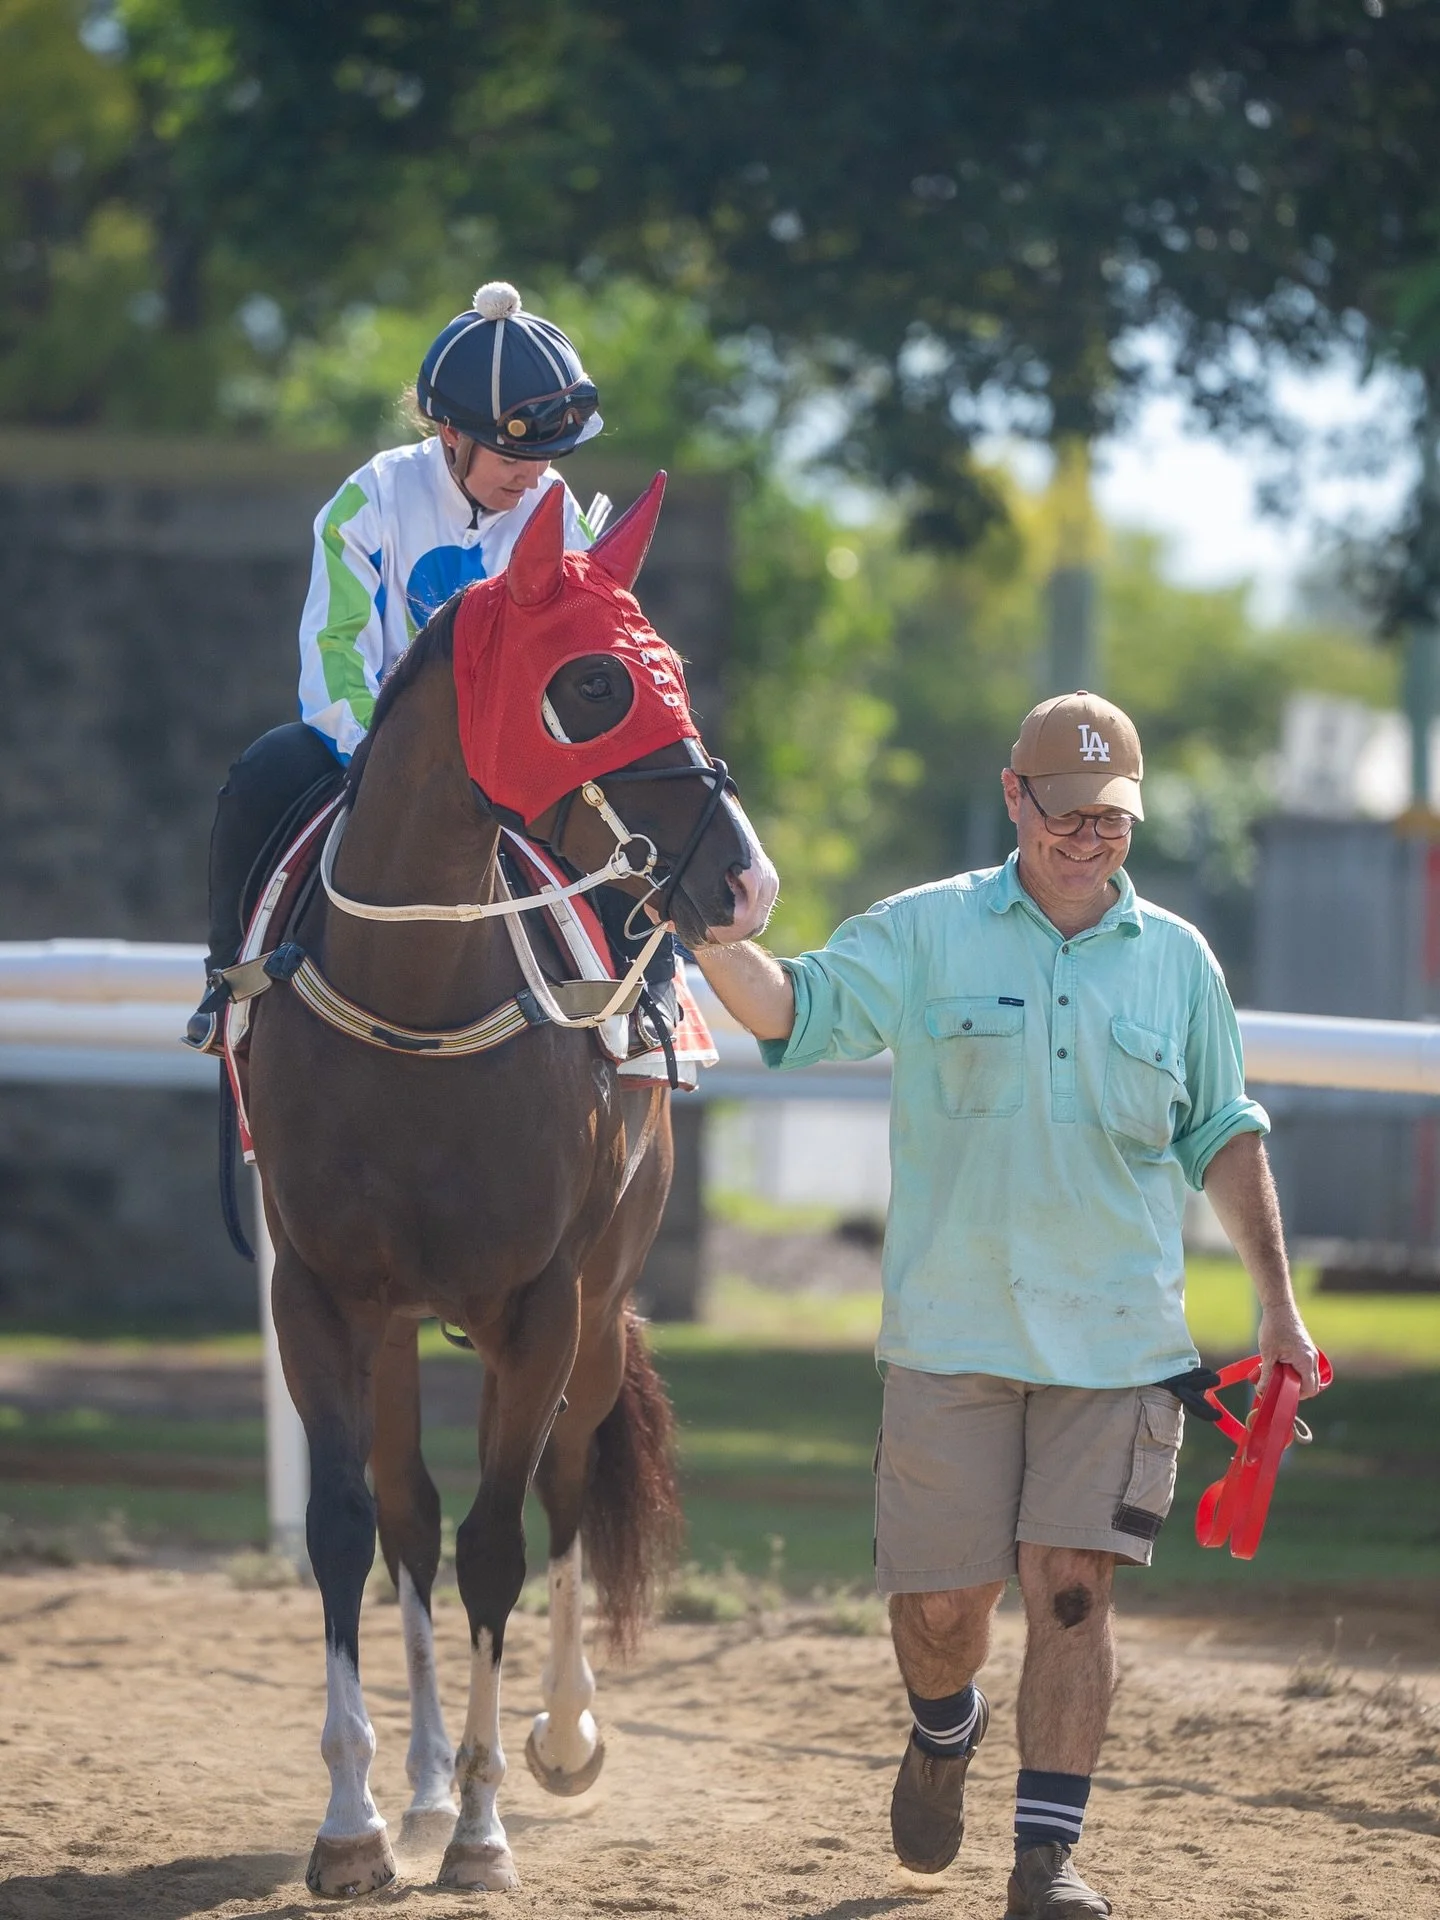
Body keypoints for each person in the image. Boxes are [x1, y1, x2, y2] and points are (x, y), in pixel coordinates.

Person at [690, 690, 1322, 1920]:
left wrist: (1278, 1310)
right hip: (951, 1335)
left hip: (1121, 1342)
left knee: (1073, 1585)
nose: (1091, 837)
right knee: (938, 1612)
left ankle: (1048, 1859)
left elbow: (1225, 1136)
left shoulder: (1180, 961)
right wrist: (707, 931)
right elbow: (791, 1011)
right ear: (1015, 797)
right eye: (1069, 812)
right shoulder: (927, 932)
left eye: (1115, 817)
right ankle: (942, 1728)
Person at [186, 280, 607, 1051]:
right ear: (451, 432)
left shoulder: (556, 510)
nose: (532, 475)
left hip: (512, 758)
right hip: (374, 754)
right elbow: (334, 653)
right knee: (262, 769)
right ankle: (228, 988)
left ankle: (644, 997)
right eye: (515, 454)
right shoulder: (370, 497)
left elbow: (576, 662)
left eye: (548, 456)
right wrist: (382, 761)